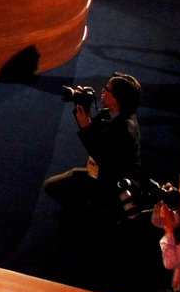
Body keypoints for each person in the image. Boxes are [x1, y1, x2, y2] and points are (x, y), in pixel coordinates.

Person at [44, 73, 142, 215]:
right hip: (102, 175)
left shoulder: (125, 129)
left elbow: (104, 159)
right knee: (52, 185)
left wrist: (85, 128)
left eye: (107, 89)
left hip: (113, 185)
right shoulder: (115, 113)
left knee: (54, 187)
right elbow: (95, 133)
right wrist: (83, 106)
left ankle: (93, 211)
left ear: (117, 98)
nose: (102, 90)